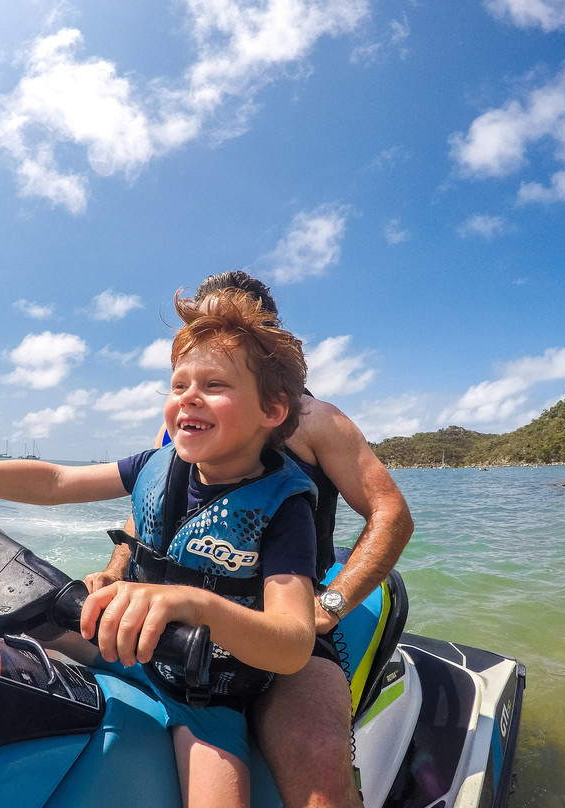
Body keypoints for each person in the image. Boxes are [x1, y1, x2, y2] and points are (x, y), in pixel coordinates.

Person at [0, 289, 320, 808]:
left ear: (272, 409)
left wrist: (197, 605)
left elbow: (292, 643)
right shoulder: (154, 466)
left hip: (205, 695)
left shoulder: (284, 507)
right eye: (179, 385)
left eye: (214, 385)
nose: (188, 397)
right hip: (121, 646)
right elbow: (54, 481)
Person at [87, 271, 414, 808]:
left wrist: (330, 603)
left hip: (278, 620)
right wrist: (116, 568)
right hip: (180, 621)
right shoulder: (182, 425)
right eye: (199, 324)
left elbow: (390, 514)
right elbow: (150, 510)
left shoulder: (315, 420)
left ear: (264, 333)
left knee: (320, 777)